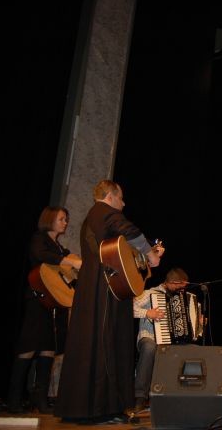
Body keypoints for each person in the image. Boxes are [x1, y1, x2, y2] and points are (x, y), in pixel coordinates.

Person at [54, 180, 163, 424]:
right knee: (104, 343)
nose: (123, 204)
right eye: (121, 198)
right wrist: (151, 254)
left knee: (94, 344)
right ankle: (98, 409)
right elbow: (131, 232)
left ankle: (97, 407)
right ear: (111, 195)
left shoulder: (93, 218)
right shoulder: (105, 212)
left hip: (100, 288)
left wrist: (143, 259)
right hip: (105, 291)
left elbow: (120, 255)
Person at [7, 206, 82, 414]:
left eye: (66, 219)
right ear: (50, 219)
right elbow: (40, 255)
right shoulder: (39, 239)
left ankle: (40, 400)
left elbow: (70, 268)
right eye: (62, 219)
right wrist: (71, 261)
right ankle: (13, 400)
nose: (65, 222)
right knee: (28, 347)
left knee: (49, 348)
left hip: (53, 303)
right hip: (37, 300)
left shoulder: (59, 247)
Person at [132, 268, 192, 413]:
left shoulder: (184, 297)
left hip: (172, 341)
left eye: (183, 288)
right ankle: (140, 397)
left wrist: (199, 323)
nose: (181, 291)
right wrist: (147, 312)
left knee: (192, 350)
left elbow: (188, 323)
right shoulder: (150, 293)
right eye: (179, 287)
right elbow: (130, 307)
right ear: (170, 283)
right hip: (149, 337)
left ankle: (183, 398)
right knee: (150, 348)